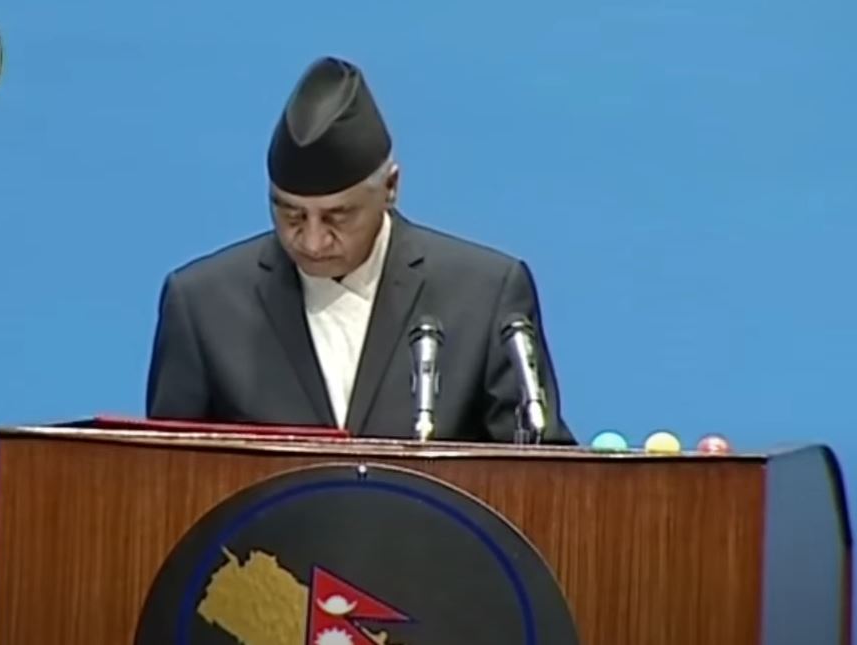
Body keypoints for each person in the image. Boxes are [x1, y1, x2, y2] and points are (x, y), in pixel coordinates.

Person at [146, 55, 574, 444]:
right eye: (291, 215)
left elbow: (541, 473)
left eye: (338, 216)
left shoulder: (483, 296)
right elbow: (168, 479)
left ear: (390, 187)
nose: (312, 241)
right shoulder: (203, 306)